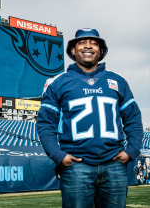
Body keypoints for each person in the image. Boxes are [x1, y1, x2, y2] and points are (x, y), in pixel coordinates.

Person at [37, 28, 143, 208]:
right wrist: (58, 155)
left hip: (114, 163)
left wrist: (131, 150)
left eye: (94, 43)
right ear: (72, 50)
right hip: (76, 166)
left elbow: (133, 119)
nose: (88, 46)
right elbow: (46, 123)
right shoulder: (58, 82)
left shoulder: (118, 81)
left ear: (101, 51)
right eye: (82, 42)